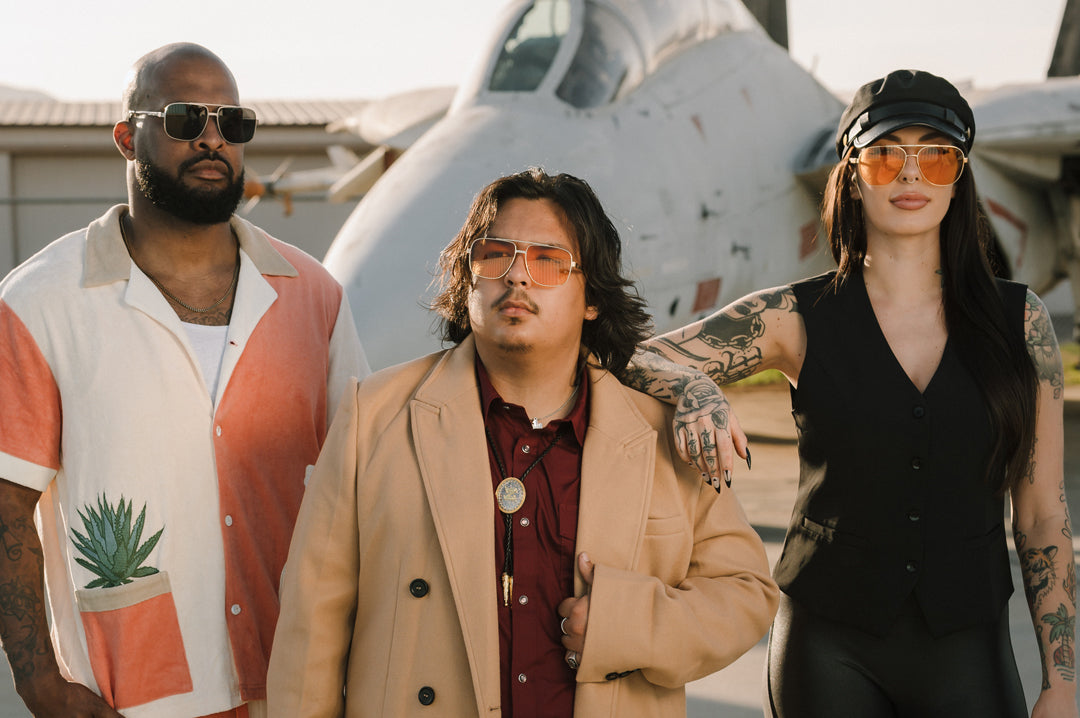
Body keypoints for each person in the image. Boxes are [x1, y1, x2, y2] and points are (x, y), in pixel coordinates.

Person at [629, 69, 1078, 717]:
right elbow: (629, 357)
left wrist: (1061, 683)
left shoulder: (1022, 323)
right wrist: (692, 385)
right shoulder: (791, 318)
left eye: (936, 157)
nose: (910, 174)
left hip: (968, 647)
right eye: (885, 155)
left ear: (958, 179)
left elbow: (1041, 517)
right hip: (826, 649)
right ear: (851, 176)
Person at [266, 168, 779, 717]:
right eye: (494, 256)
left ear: (592, 298)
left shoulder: (659, 432)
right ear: (467, 281)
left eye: (548, 262)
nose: (516, 276)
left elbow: (745, 592)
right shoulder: (374, 417)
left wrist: (629, 625)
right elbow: (310, 633)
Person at [0, 43, 368, 717]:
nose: (212, 138)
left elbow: (366, 480)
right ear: (126, 138)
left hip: (298, 684)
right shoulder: (38, 304)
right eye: (184, 118)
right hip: (130, 697)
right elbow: (6, 500)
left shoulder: (314, 295)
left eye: (233, 123)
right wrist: (37, 679)